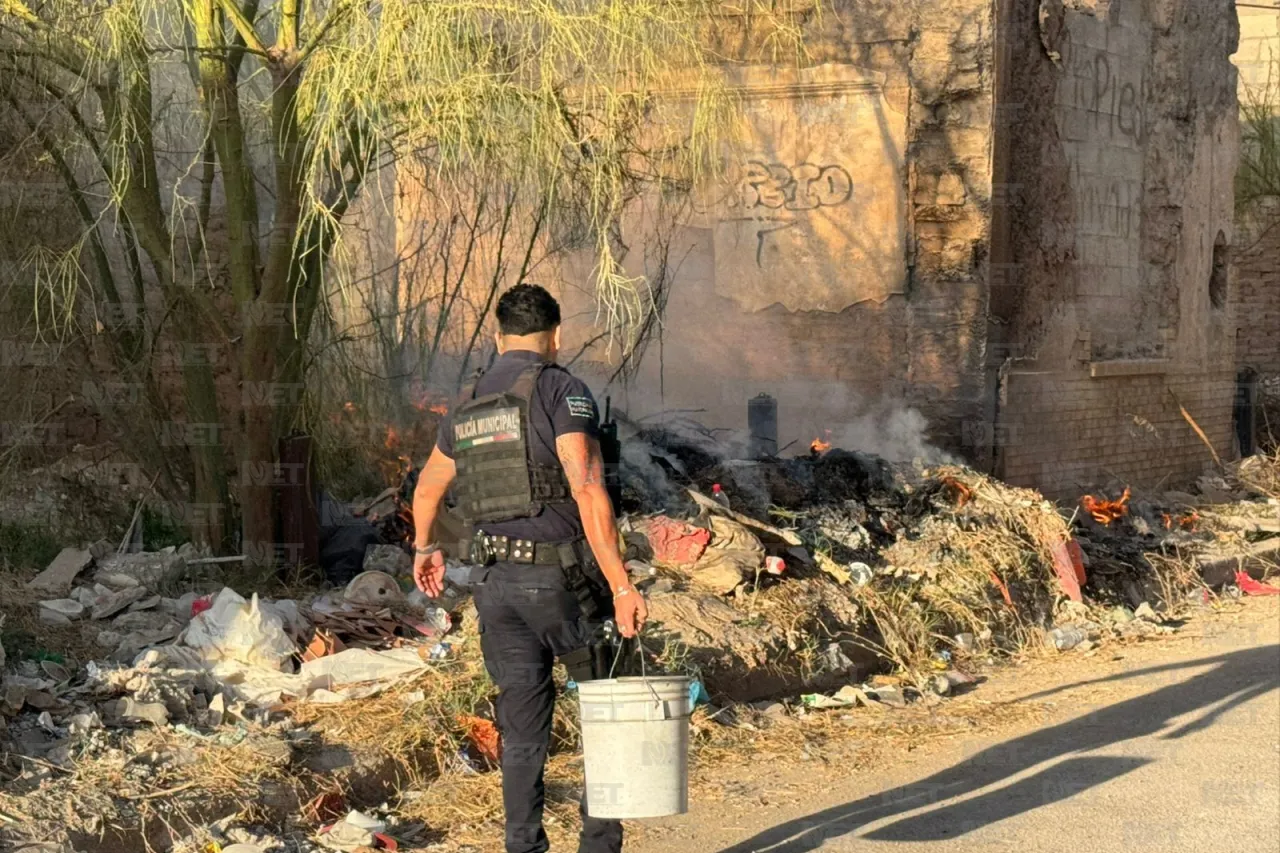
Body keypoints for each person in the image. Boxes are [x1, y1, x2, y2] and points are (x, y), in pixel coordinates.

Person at [411, 282, 648, 853]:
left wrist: (424, 548)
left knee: (521, 735)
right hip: (563, 585)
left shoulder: (466, 404)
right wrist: (620, 584)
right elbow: (588, 490)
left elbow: (427, 489)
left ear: (498, 338)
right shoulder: (563, 390)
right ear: (557, 336)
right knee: (605, 720)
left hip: (495, 587)